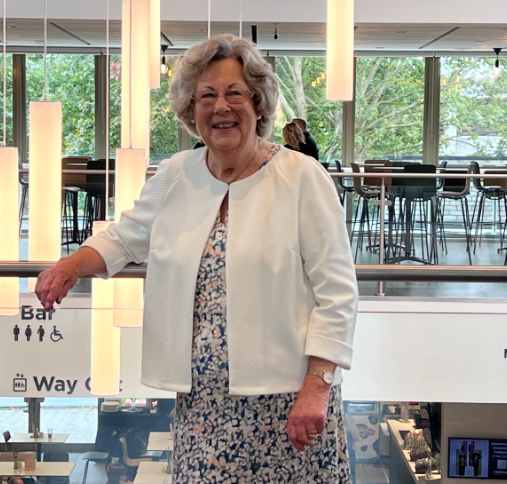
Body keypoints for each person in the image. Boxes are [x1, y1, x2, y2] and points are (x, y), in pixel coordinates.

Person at [35, 33, 357, 483]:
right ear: (191, 109)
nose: (220, 107)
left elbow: (338, 293)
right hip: (203, 410)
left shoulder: (302, 177)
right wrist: (70, 265)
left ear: (259, 103)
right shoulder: (176, 174)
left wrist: (317, 389)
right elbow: (126, 237)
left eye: (234, 93)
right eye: (206, 95)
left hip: (289, 407)